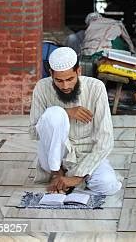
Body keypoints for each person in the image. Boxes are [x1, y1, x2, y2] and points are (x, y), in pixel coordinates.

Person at [29, 47, 121, 195]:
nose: (65, 86)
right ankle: (57, 175)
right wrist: (66, 113)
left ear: (79, 71)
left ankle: (72, 180)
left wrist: (76, 178)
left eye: (70, 79)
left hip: (86, 155)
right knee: (55, 114)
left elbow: (106, 140)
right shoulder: (42, 88)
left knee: (107, 184)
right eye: (58, 80)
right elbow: (34, 132)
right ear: (51, 74)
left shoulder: (96, 88)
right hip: (56, 159)